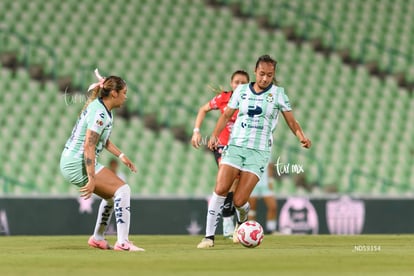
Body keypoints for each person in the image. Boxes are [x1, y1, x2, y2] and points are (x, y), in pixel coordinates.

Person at [197, 54, 311, 248]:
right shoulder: (241, 90)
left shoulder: (278, 94)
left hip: (258, 153)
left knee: (240, 200)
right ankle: (208, 237)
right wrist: (215, 134)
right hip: (235, 147)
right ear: (255, 72)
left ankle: (241, 222)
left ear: (273, 75)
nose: (265, 78)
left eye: (269, 75)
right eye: (261, 74)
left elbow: (291, 121)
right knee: (220, 189)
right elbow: (226, 116)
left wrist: (301, 136)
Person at [60, 69, 144, 252]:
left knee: (113, 197)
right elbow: (89, 146)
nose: (125, 97)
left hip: (73, 160)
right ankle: (123, 242)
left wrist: (121, 156)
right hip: (77, 162)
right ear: (114, 93)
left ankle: (98, 238)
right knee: (123, 190)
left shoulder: (103, 109)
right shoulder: (100, 113)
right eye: (124, 93)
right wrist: (91, 178)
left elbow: (101, 140)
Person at [191, 70, 250, 239]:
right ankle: (227, 222)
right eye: (236, 82)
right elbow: (203, 109)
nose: (239, 85)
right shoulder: (224, 98)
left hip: (242, 147)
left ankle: (236, 222)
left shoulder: (251, 101)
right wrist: (196, 131)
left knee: (238, 187)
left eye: (243, 82)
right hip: (222, 145)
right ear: (232, 84)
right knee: (229, 181)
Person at [248, 163, 278, 234]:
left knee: (273, 207)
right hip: (253, 182)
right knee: (251, 209)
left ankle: (271, 230)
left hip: (265, 184)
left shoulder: (268, 151)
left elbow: (270, 165)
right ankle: (251, 230)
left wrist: (270, 180)